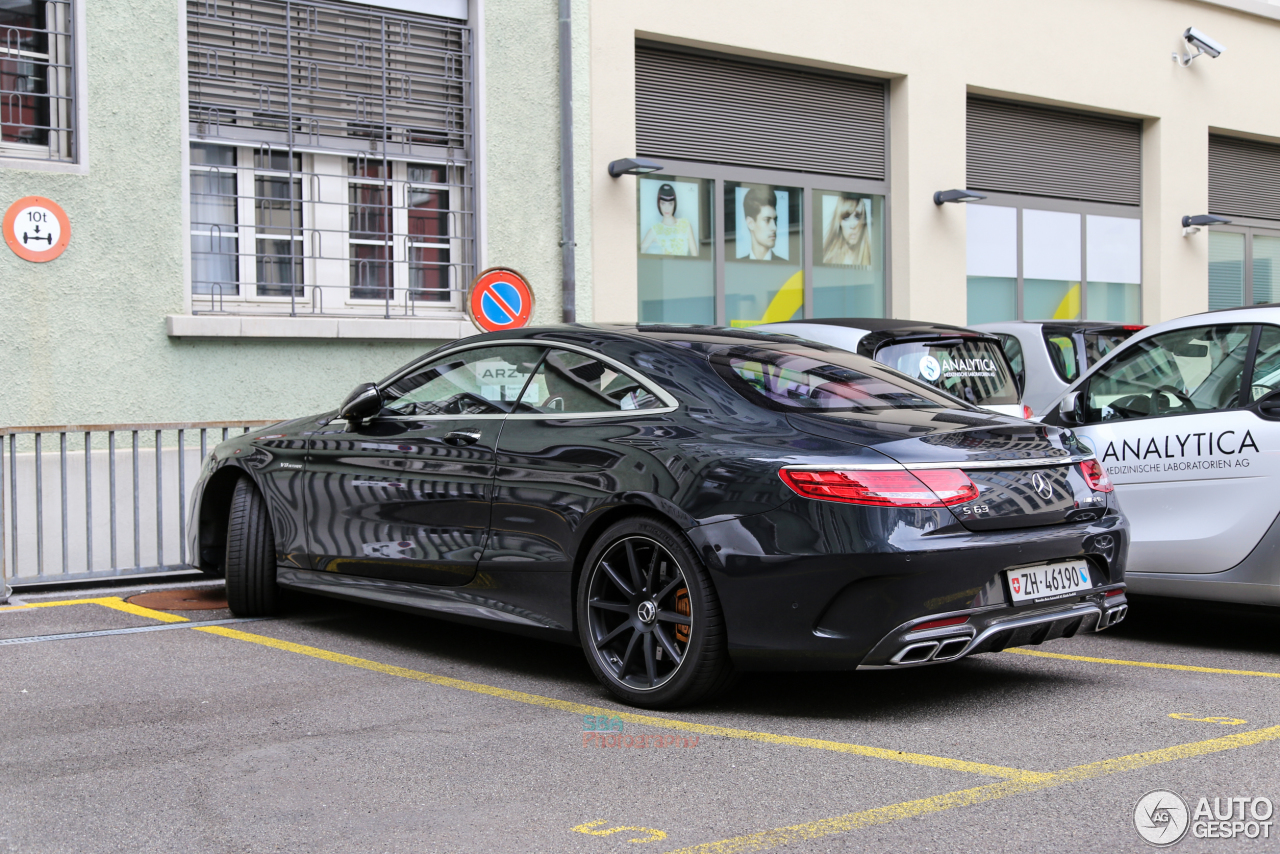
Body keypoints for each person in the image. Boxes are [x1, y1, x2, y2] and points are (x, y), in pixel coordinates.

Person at [640, 183, 699, 256]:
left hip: (685, 266)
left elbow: (695, 255)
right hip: (664, 266)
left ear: (674, 204)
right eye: (663, 203)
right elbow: (638, 254)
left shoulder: (685, 224)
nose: (666, 208)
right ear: (659, 204)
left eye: (670, 204)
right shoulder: (655, 230)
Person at [822, 196, 872, 267]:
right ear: (839, 223)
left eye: (857, 217)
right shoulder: (828, 259)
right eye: (846, 218)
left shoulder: (873, 259)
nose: (853, 225)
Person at [742, 186, 779, 260]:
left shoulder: (786, 267)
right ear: (750, 223)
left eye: (775, 220)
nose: (774, 227)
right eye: (767, 220)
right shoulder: (737, 266)